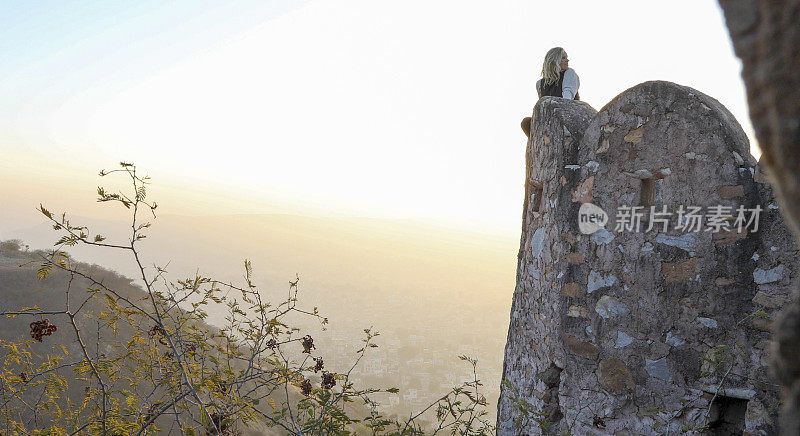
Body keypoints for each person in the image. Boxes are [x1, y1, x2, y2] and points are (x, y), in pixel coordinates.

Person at [521, 47, 580, 137]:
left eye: (566, 57)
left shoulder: (569, 73)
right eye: (563, 58)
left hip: (566, 115)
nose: (567, 60)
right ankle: (536, 145)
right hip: (549, 119)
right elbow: (541, 106)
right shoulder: (540, 84)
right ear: (554, 61)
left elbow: (568, 97)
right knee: (526, 122)